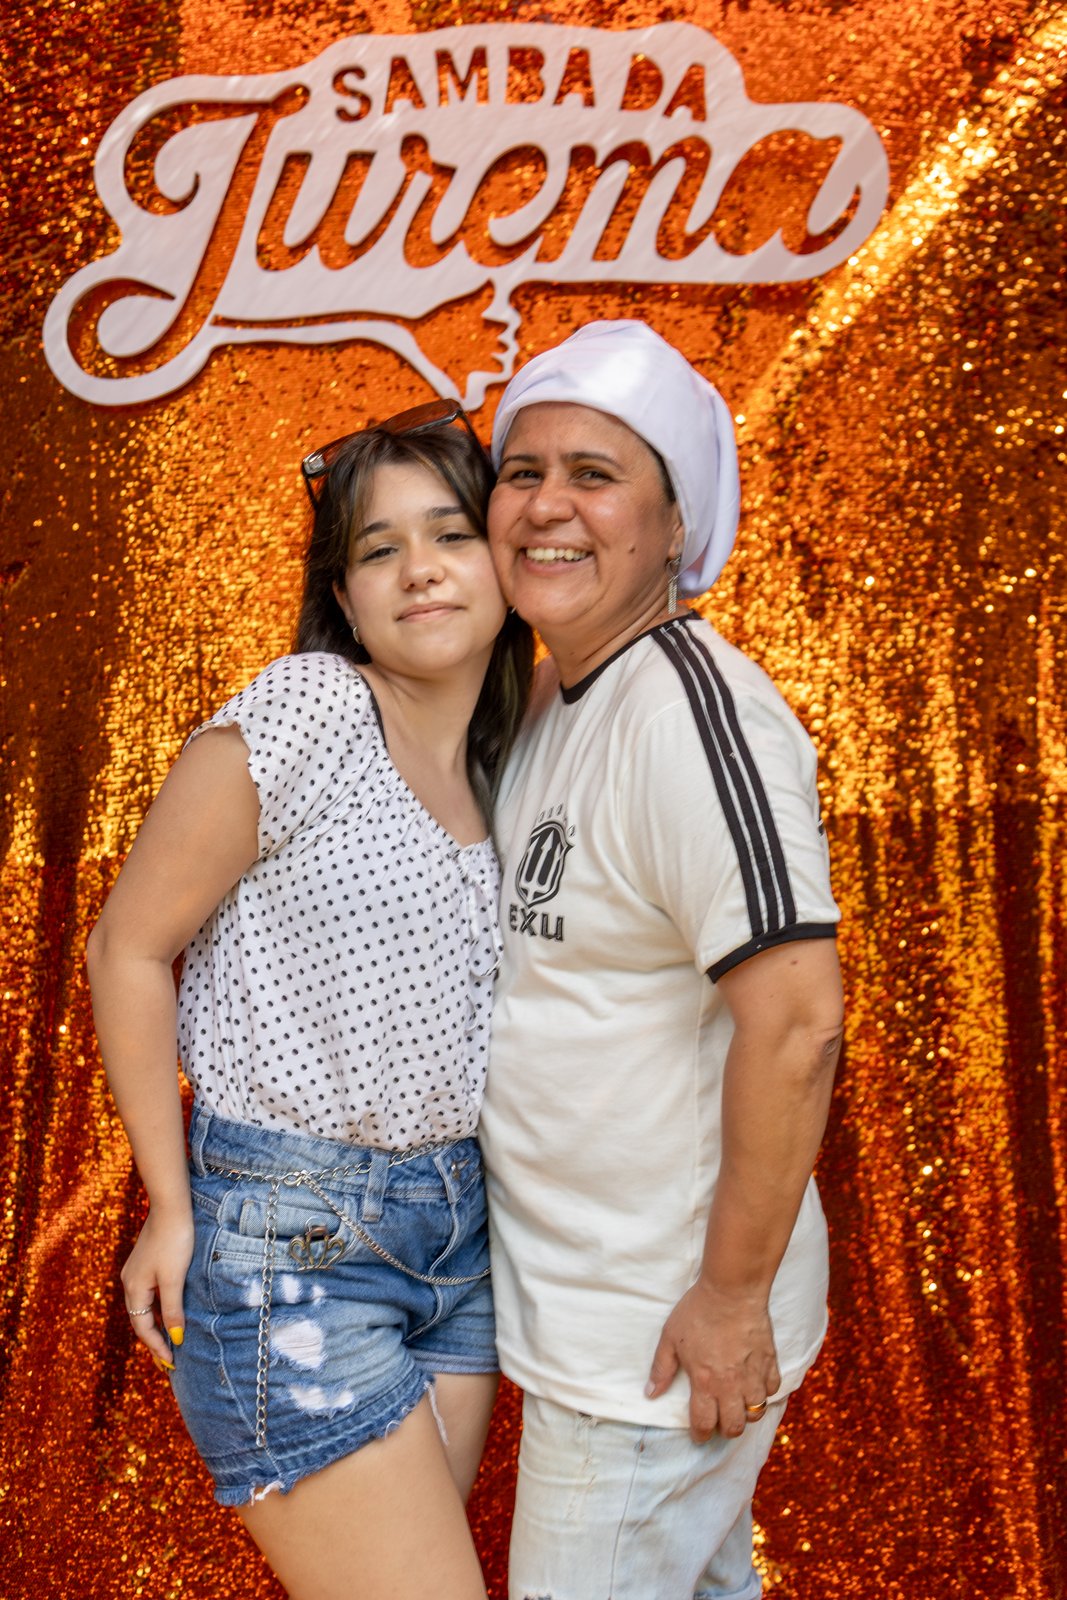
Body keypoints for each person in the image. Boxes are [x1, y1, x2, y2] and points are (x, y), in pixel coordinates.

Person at [86, 402, 533, 1600]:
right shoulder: (314, 709)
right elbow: (127, 946)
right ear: (343, 594)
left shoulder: (517, 759)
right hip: (293, 1237)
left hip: (461, 1243)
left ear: (505, 559)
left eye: (449, 532)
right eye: (380, 548)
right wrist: (168, 1204)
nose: (420, 567)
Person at [478, 321, 845, 1600]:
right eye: (521, 472)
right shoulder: (548, 693)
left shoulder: (693, 712)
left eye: (595, 473)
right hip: (589, 1314)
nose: (546, 506)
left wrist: (730, 1299)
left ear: (674, 524)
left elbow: (795, 1020)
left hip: (657, 1338)